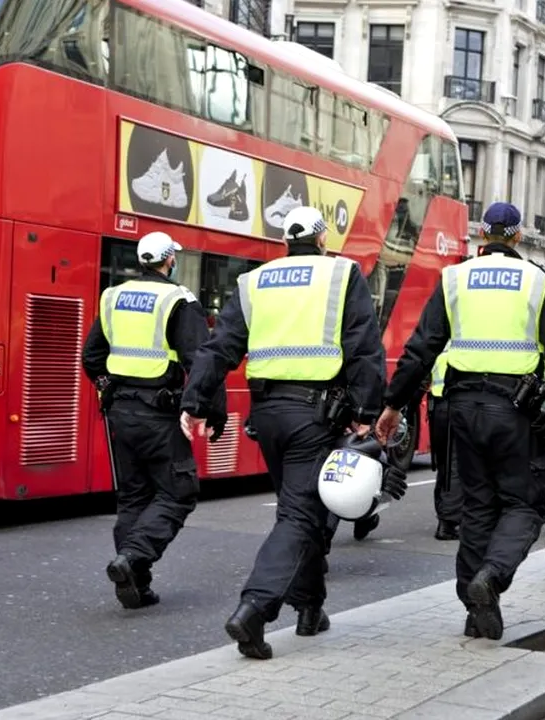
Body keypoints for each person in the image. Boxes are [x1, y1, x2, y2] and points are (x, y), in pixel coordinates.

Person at [374, 202, 545, 641]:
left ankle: (474, 609)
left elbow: (422, 348)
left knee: (477, 506)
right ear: (517, 236)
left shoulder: (454, 278)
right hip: (514, 410)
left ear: (483, 234)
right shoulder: (536, 281)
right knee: (523, 504)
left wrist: (393, 403)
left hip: (462, 407)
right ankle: (492, 577)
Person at [178, 206, 388, 660]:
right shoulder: (341, 274)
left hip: (267, 415)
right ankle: (255, 608)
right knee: (298, 515)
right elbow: (363, 346)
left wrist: (195, 401)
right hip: (315, 415)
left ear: (285, 242)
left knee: (300, 509)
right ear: (322, 239)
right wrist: (367, 411)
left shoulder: (254, 281)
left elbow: (220, 346)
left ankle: (310, 608)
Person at [81, 231, 224, 610]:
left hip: (120, 412)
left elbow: (92, 357)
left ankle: (135, 585)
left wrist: (108, 387)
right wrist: (213, 410)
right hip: (159, 414)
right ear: (169, 261)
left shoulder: (112, 296)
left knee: (133, 498)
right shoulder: (178, 300)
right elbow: (202, 361)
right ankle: (132, 558)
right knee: (179, 493)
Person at [428, 346, 462, 540]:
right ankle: (448, 522)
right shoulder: (463, 349)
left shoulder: (441, 348)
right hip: (456, 407)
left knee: (444, 464)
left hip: (438, 409)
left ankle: (444, 514)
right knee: (455, 464)